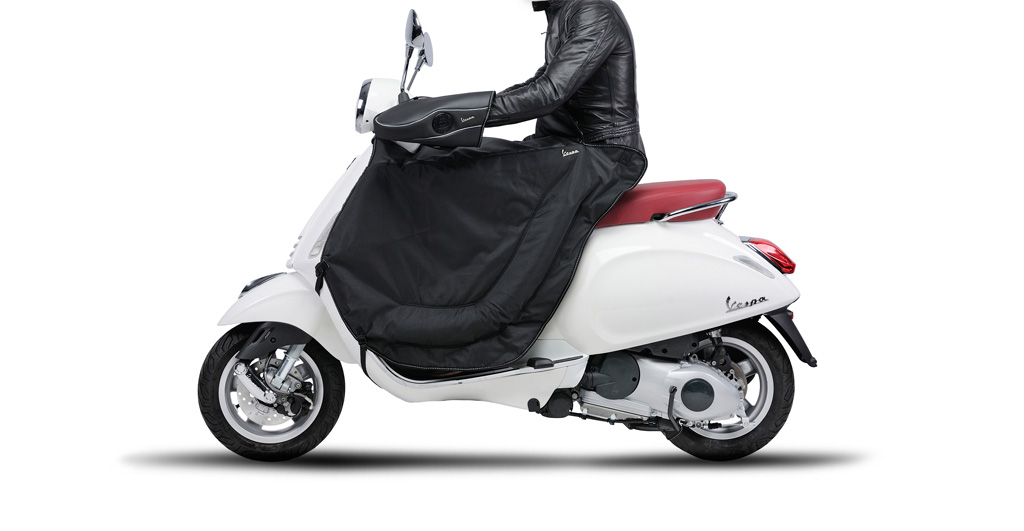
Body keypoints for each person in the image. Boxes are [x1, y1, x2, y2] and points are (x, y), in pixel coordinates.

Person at [485, 0, 644, 152]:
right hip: (566, 141)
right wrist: (479, 107)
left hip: (603, 149)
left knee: (478, 163)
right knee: (475, 153)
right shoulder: (564, 11)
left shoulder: (594, 10)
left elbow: (551, 92)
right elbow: (540, 82)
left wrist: (477, 114)